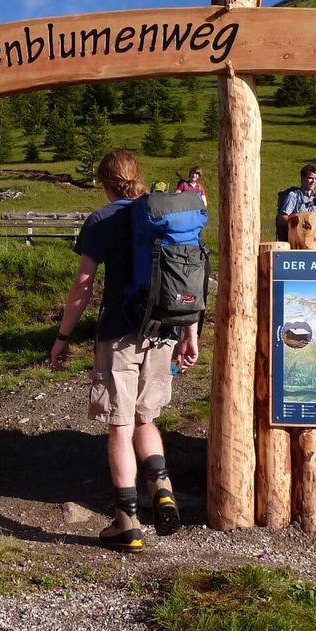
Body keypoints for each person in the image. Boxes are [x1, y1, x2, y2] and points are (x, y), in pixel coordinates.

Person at [48, 150, 198, 553]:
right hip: (165, 331)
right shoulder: (166, 216)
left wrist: (63, 337)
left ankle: (127, 520)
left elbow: (82, 287)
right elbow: (188, 276)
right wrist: (189, 334)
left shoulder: (101, 221)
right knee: (145, 418)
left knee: (120, 424)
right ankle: (162, 490)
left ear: (105, 182)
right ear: (137, 178)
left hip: (118, 334)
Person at [276, 164, 316, 242]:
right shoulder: (293, 196)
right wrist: (301, 225)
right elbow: (282, 218)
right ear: (302, 178)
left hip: (314, 242)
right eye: (310, 178)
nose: (313, 181)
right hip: (295, 241)